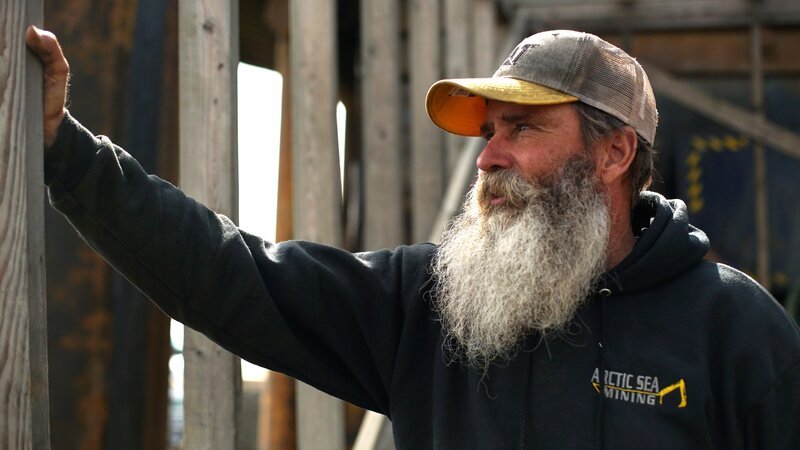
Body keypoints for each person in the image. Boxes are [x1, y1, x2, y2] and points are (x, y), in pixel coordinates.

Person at [26, 25, 800, 449]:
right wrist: (66, 150)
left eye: (522, 128)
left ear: (614, 153)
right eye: (490, 132)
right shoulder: (429, 303)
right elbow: (231, 273)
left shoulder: (735, 330)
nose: (488, 158)